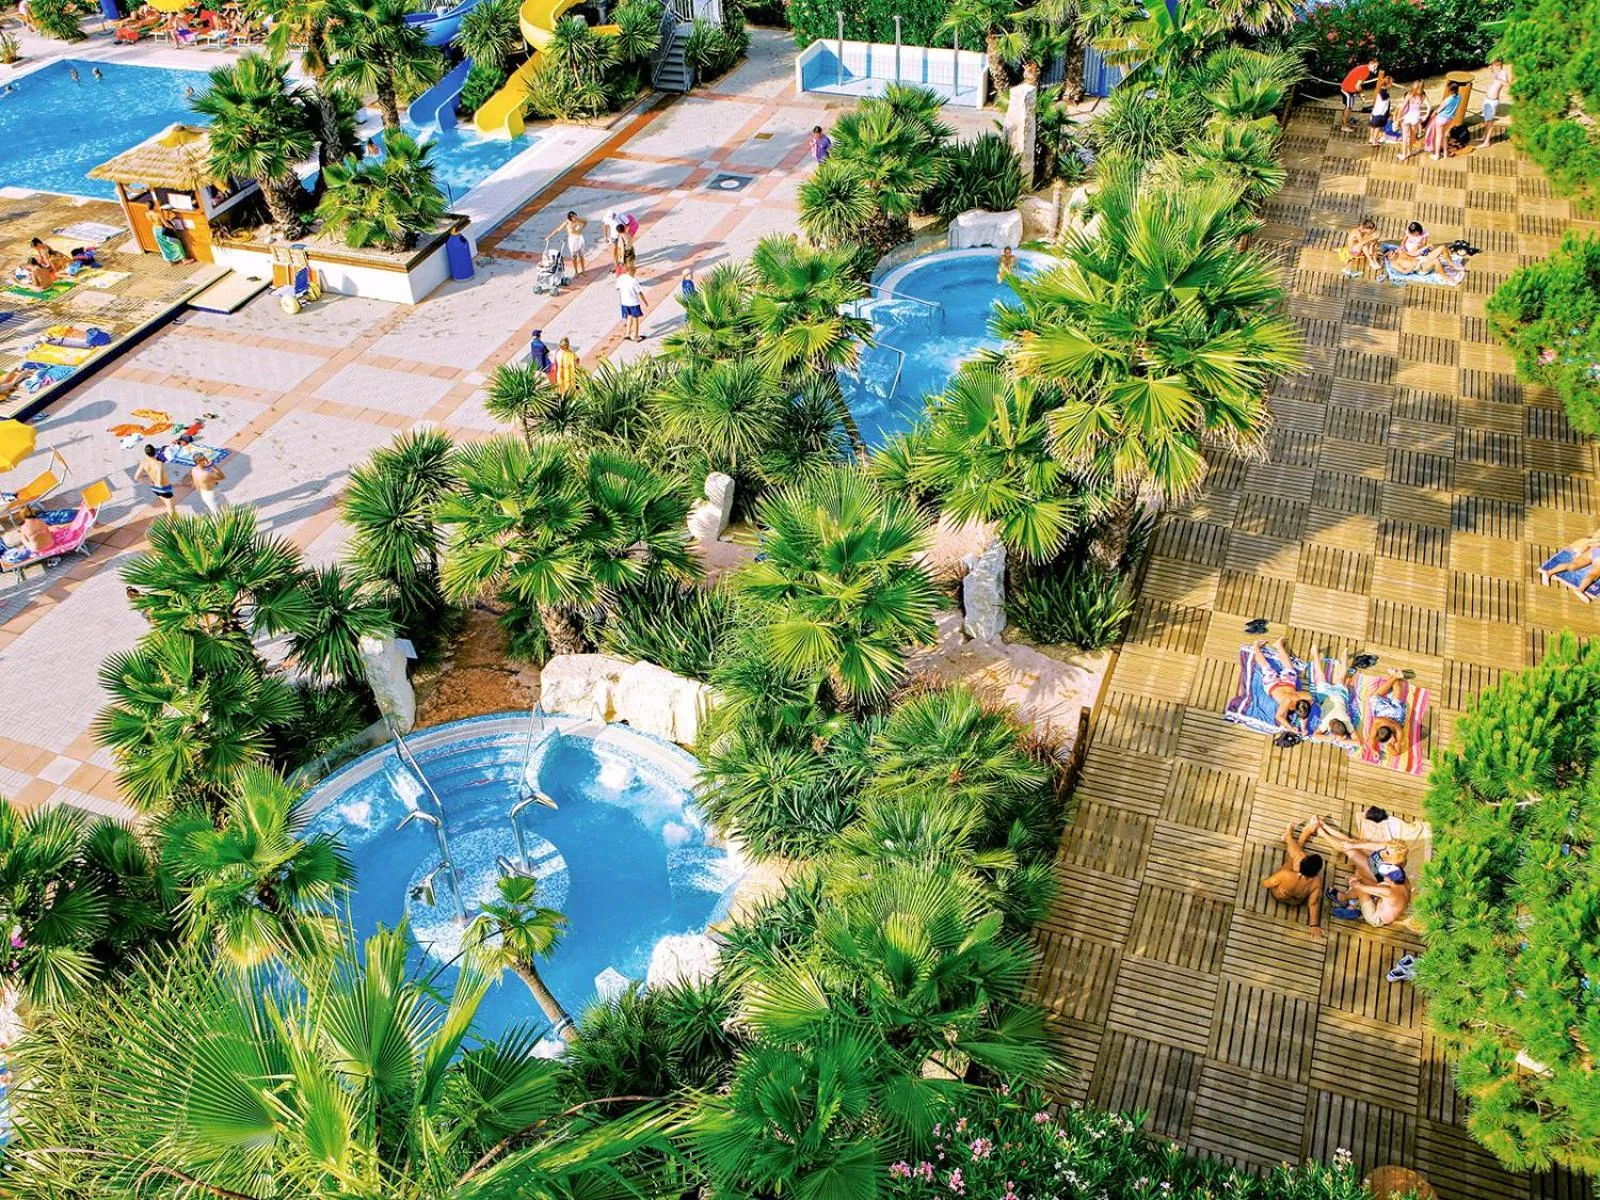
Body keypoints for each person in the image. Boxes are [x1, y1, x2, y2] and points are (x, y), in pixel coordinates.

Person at [1311, 817, 1413, 928]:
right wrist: (1354, 845)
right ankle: (1354, 904)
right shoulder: (1398, 878)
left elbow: (1362, 888)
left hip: (1376, 916)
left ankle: (1345, 900)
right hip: (1385, 899)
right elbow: (1367, 845)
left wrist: (1354, 881)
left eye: (1387, 852)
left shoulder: (1388, 889)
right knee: (1352, 848)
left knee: (1359, 883)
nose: (1383, 851)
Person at [1260, 822, 1325, 940]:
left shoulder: (1286, 875)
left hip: (1280, 896)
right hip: (1296, 901)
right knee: (1297, 855)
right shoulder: (1316, 881)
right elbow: (1313, 903)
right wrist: (1314, 925)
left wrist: (1276, 879)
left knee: (1293, 859)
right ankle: (1297, 835)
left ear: (1302, 865)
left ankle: (1288, 835)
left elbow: (1266, 884)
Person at [1250, 639, 1312, 732]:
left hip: (1286, 684)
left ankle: (1278, 645)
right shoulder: (1288, 702)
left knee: (1288, 668)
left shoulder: (1306, 697)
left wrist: (1303, 728)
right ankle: (1255, 646)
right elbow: (1279, 717)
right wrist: (1290, 727)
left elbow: (1304, 713)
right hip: (1272, 686)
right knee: (1265, 667)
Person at [1365, 676, 1410, 759]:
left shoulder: (1398, 732)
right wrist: (1373, 750)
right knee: (1375, 696)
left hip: (1397, 715)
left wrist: (1389, 744)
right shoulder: (1378, 722)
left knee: (1395, 693)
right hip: (1386, 713)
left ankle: (1395, 678)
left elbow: (1396, 753)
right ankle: (1394, 676)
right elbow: (1371, 737)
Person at [1338, 58, 1379, 134]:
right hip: (1347, 90)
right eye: (1374, 66)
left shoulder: (1363, 67)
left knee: (1349, 107)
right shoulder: (1365, 72)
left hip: (1348, 88)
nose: (1375, 69)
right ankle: (1344, 126)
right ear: (1370, 64)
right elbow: (1358, 86)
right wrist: (1362, 94)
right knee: (1348, 107)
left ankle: (1345, 121)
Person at [135, 444, 177, 518]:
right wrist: (157, 483)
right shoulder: (159, 464)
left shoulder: (143, 462)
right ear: (155, 452)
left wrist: (149, 481)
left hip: (154, 488)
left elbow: (137, 477)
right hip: (164, 489)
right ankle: (170, 528)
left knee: (170, 506)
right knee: (171, 510)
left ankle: (176, 521)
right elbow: (160, 482)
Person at [1425, 81, 1461, 159]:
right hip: (1449, 119)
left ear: (1450, 90)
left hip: (1441, 119)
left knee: (1438, 137)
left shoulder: (1447, 100)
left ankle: (1437, 155)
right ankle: (1445, 153)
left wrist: (1431, 116)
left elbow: (1438, 110)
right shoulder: (1459, 97)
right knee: (1444, 136)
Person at [1479, 59, 1510, 148]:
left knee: (1490, 122)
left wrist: (1500, 79)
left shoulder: (1503, 73)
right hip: (1487, 99)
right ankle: (1484, 137)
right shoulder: (1496, 72)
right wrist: (1492, 71)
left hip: (1492, 100)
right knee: (1486, 119)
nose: (1494, 67)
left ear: (1499, 65)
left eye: (1496, 65)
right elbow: (1494, 74)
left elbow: (1507, 83)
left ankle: (1486, 142)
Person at [1397, 80, 1426, 162]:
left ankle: (1403, 154)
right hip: (1415, 118)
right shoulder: (1423, 96)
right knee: (1413, 135)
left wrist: (1398, 118)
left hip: (1407, 117)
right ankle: (1409, 151)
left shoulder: (1409, 95)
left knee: (1405, 136)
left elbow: (1403, 107)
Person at [551, 210, 586, 277]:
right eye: (573, 217)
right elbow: (558, 230)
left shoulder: (578, 220)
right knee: (574, 256)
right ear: (570, 218)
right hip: (572, 240)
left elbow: (585, 222)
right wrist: (549, 237)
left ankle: (583, 270)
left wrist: (582, 225)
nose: (575, 218)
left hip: (579, 238)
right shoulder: (567, 222)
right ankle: (576, 272)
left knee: (581, 256)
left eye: (575, 216)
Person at [616, 269, 648, 342]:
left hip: (624, 302)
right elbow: (639, 292)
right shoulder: (633, 281)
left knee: (629, 316)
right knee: (635, 319)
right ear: (632, 271)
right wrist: (644, 301)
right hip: (633, 303)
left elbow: (618, 288)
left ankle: (627, 334)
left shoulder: (621, 278)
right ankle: (636, 337)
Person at [1367, 73, 1391, 147]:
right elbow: (1385, 105)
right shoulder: (1385, 94)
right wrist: (1387, 114)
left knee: (1372, 125)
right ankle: (1374, 141)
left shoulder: (1379, 92)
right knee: (1378, 127)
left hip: (1375, 111)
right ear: (1388, 84)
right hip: (1381, 113)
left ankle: (1371, 138)